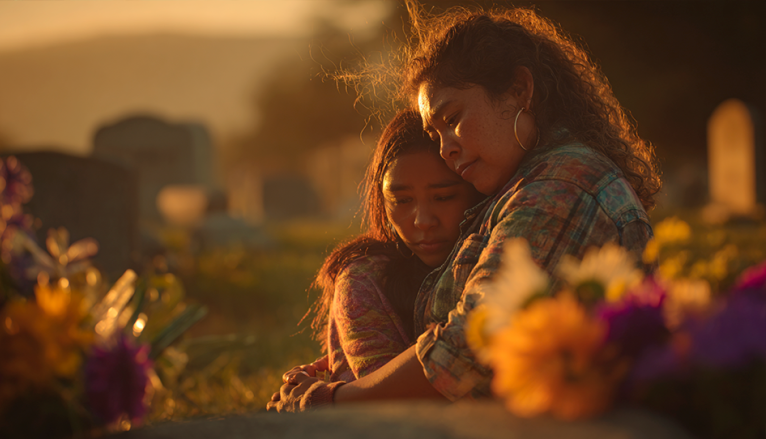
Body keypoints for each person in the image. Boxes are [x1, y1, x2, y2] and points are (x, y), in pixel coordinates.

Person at [268, 5, 660, 412]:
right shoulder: (526, 182)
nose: (445, 148)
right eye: (434, 133)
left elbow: (468, 347)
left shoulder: (562, 186)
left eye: (452, 118)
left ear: (519, 91)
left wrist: (334, 398)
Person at [297, 109, 483, 387]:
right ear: (381, 201)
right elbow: (386, 395)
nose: (423, 221)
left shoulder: (495, 252)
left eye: (443, 197)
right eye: (402, 200)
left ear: (476, 189)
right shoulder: (365, 280)